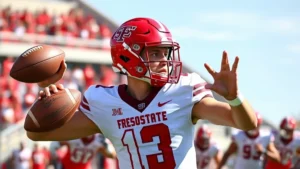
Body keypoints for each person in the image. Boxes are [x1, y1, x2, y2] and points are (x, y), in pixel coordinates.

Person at [27, 17, 257, 169]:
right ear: (128, 57)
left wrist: (234, 98)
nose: (165, 61)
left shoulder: (182, 91)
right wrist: (46, 101)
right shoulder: (103, 102)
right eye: (155, 53)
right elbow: (37, 135)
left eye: (166, 53)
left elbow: (247, 124)